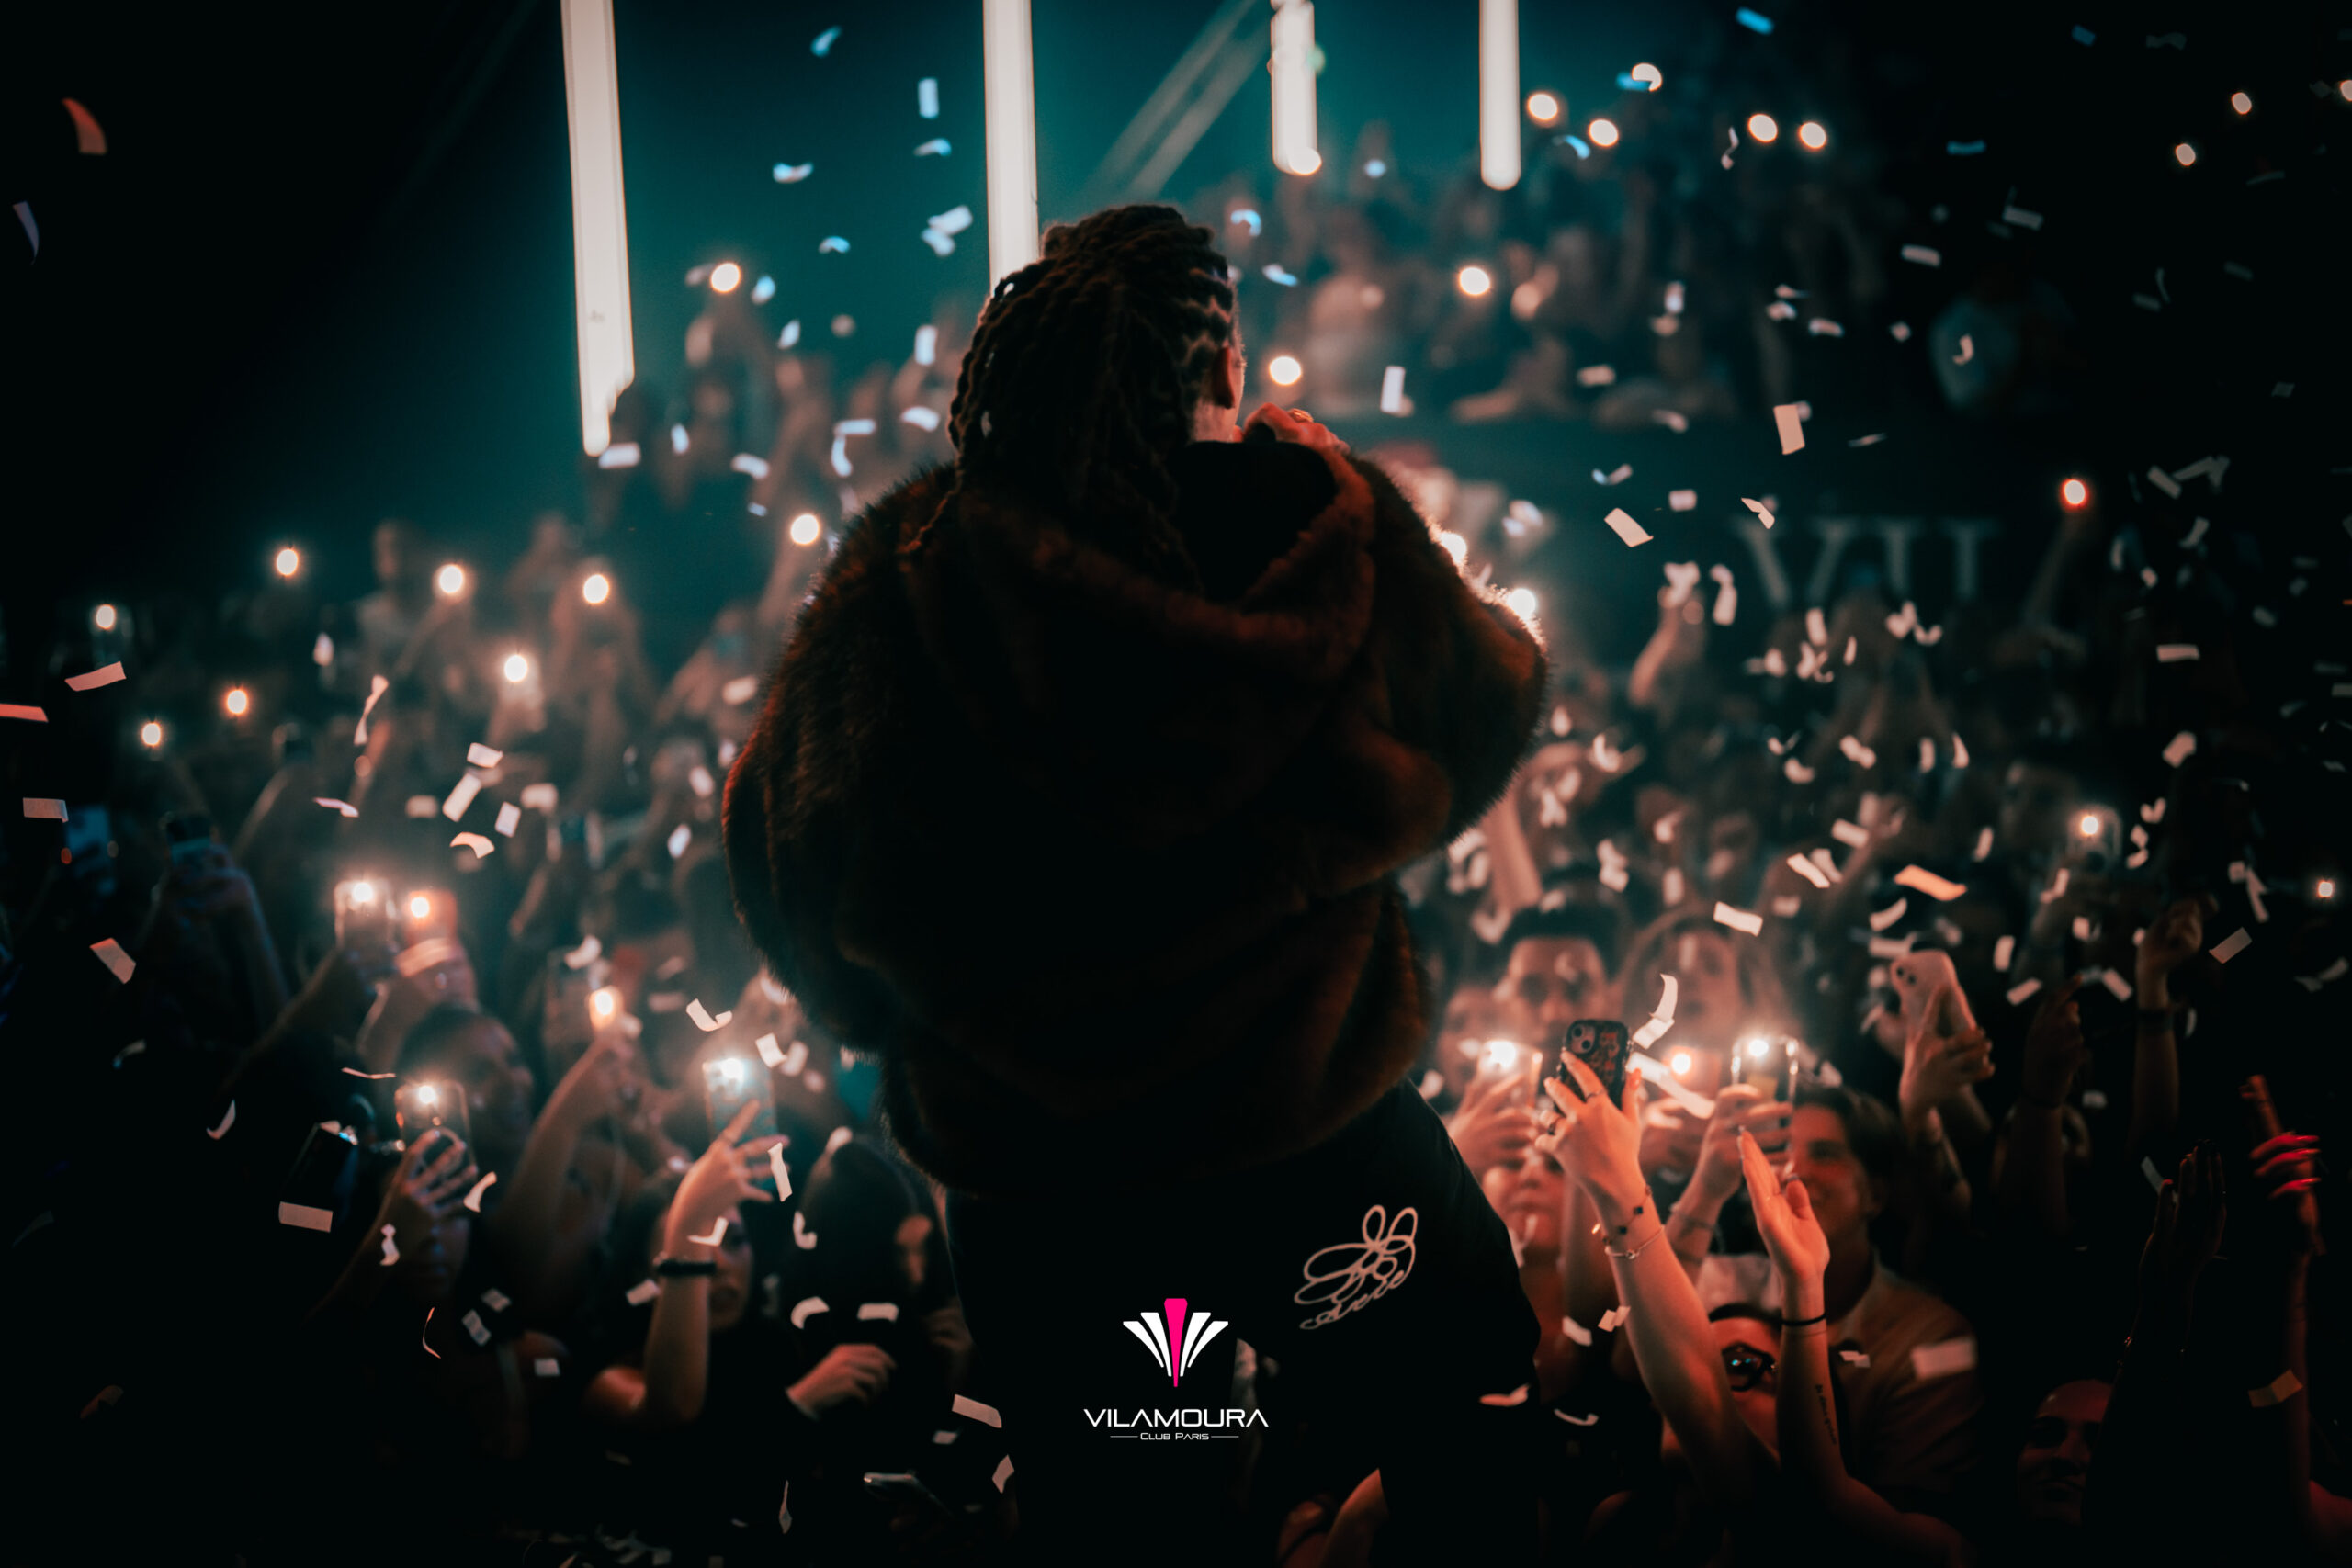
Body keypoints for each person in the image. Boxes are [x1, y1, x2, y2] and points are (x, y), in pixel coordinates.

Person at [723, 204, 1551, 1562]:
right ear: (1221, 362)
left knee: (1129, 1512)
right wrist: (1350, 502)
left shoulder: (903, 585)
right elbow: (1484, 706)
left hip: (1043, 1195)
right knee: (1469, 1397)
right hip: (1297, 1152)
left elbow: (781, 869)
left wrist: (940, 1033)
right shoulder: (1295, 530)